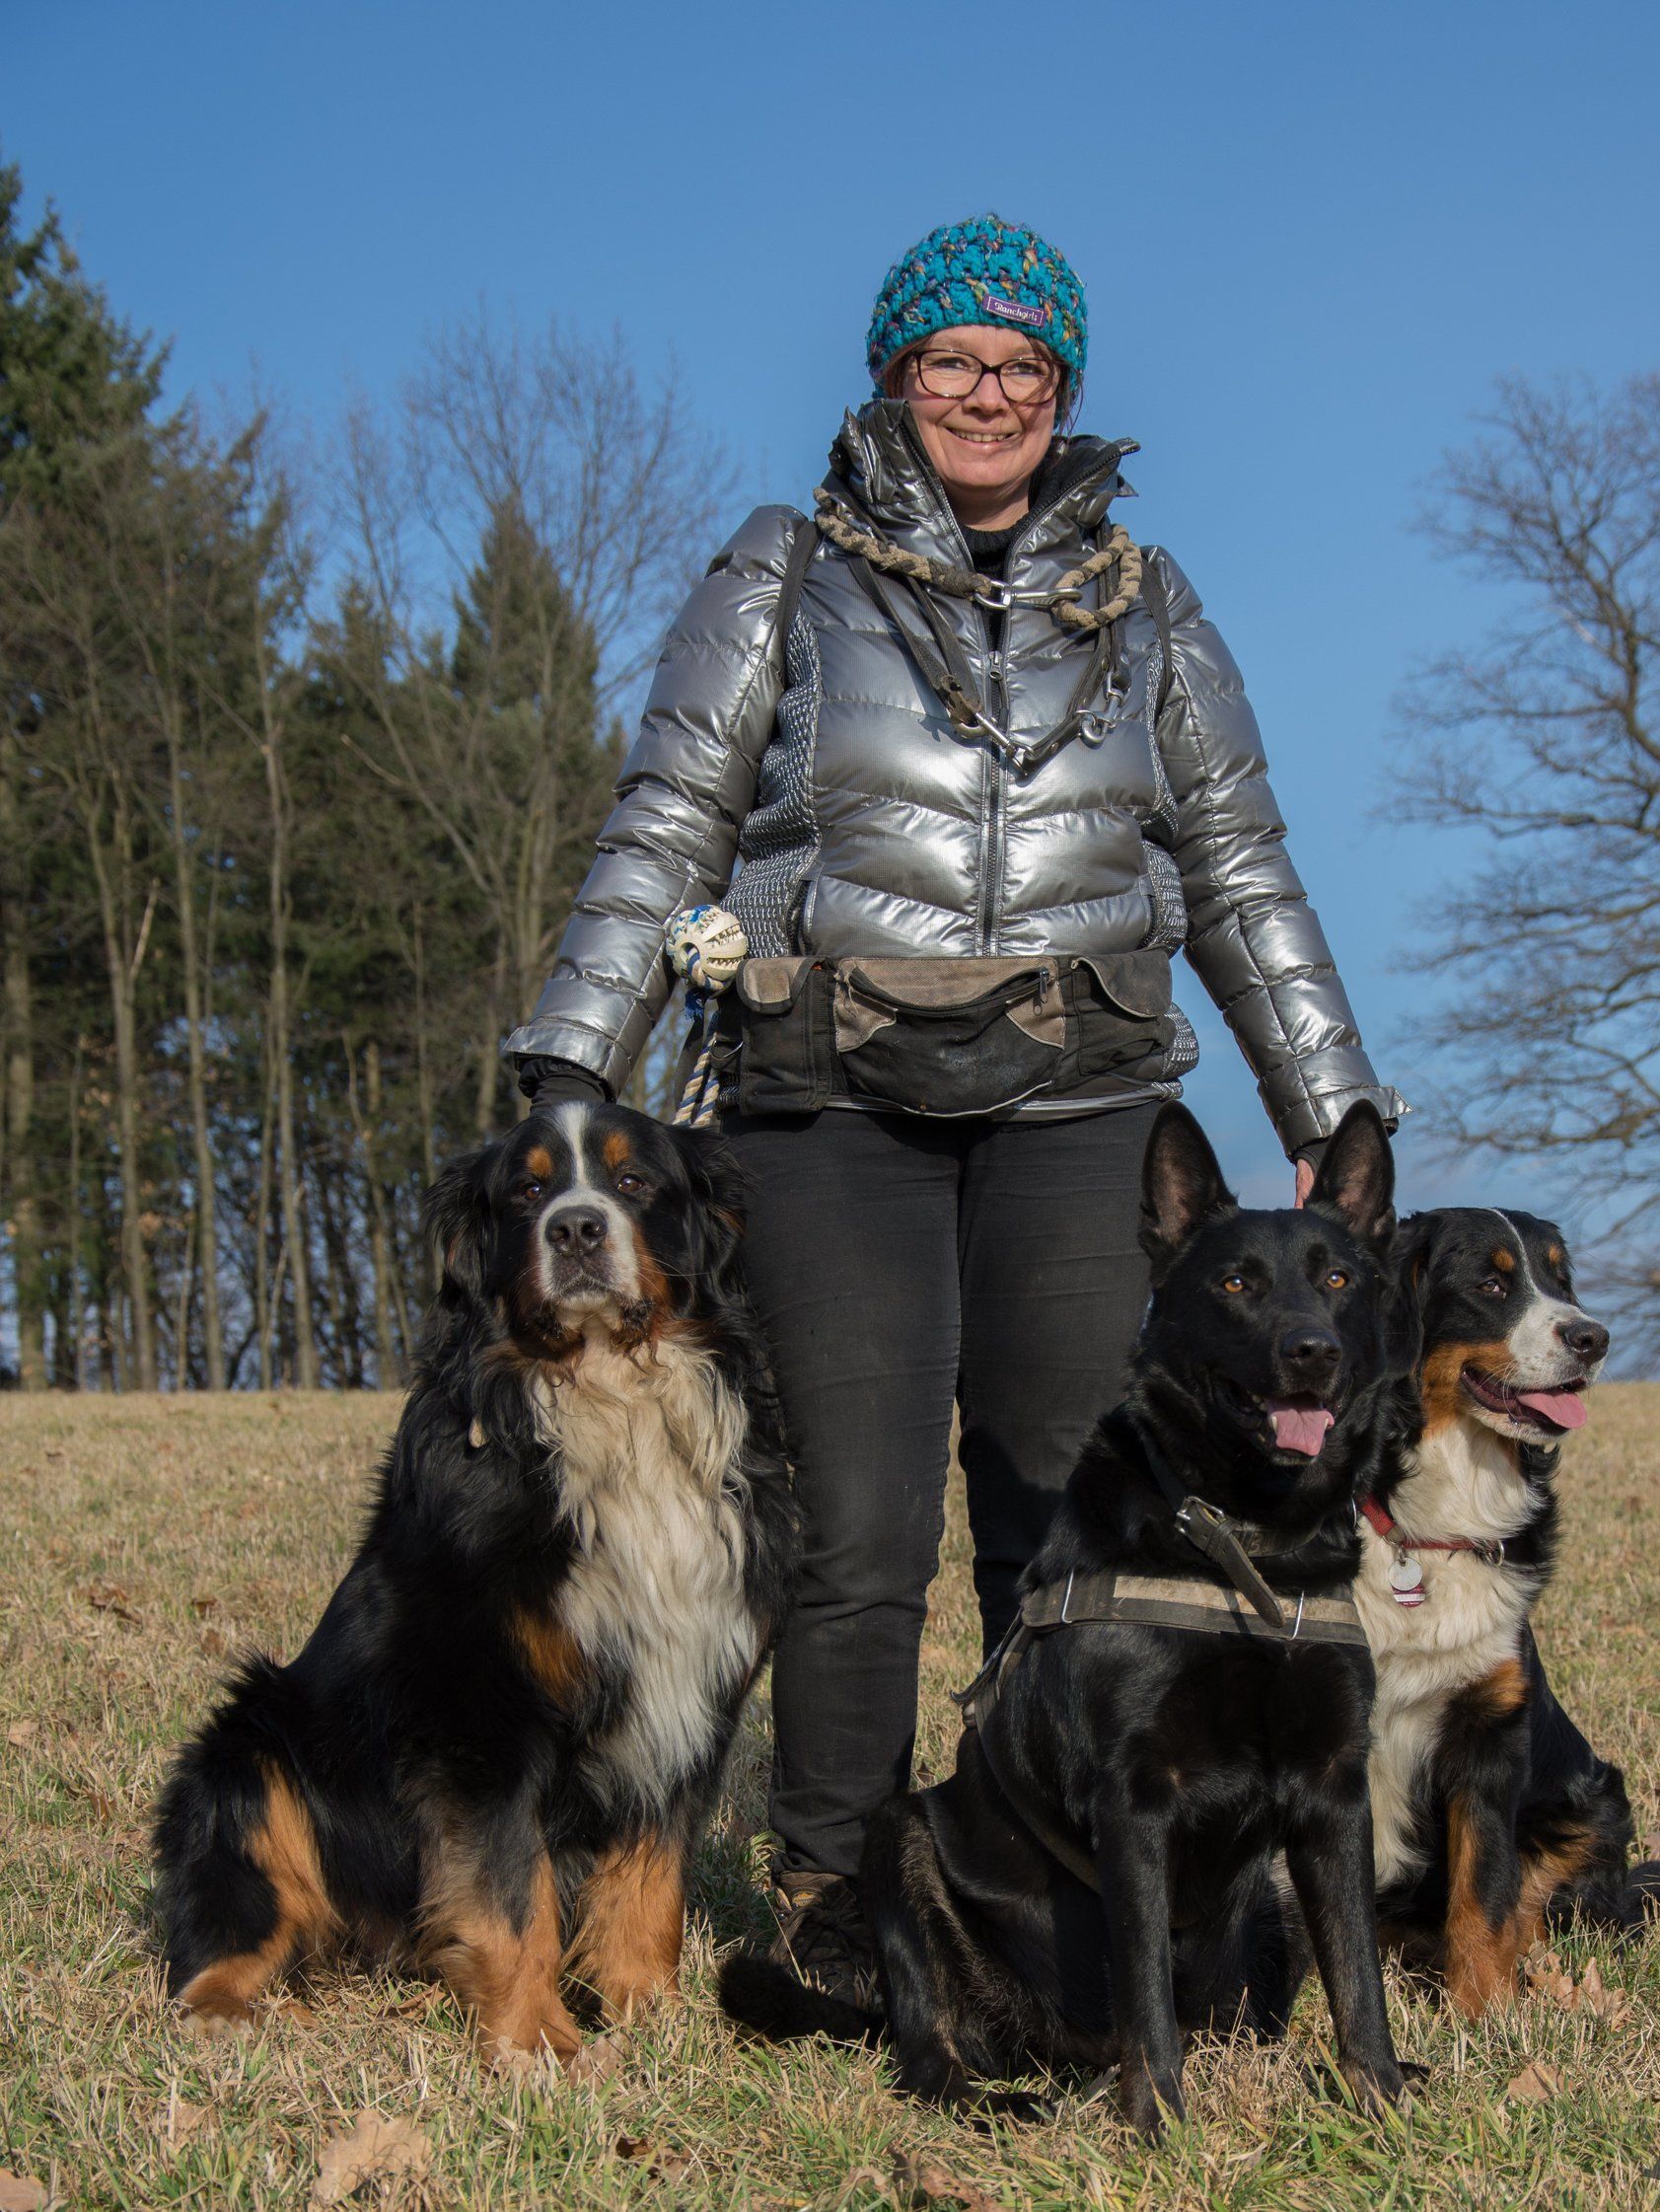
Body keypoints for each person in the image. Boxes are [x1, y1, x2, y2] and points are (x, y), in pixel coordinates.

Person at [506, 214, 1405, 2002]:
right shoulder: (778, 572)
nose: (986, 392)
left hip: (1086, 1095)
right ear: (892, 380)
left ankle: (1052, 1873)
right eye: (952, 360)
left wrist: (1328, 1092)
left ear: (1063, 394)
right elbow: (669, 819)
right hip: (825, 1095)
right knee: (853, 1527)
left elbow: (1236, 866)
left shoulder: (1147, 604)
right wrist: (570, 1059)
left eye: (1023, 365)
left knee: (1062, 1508)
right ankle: (840, 1905)